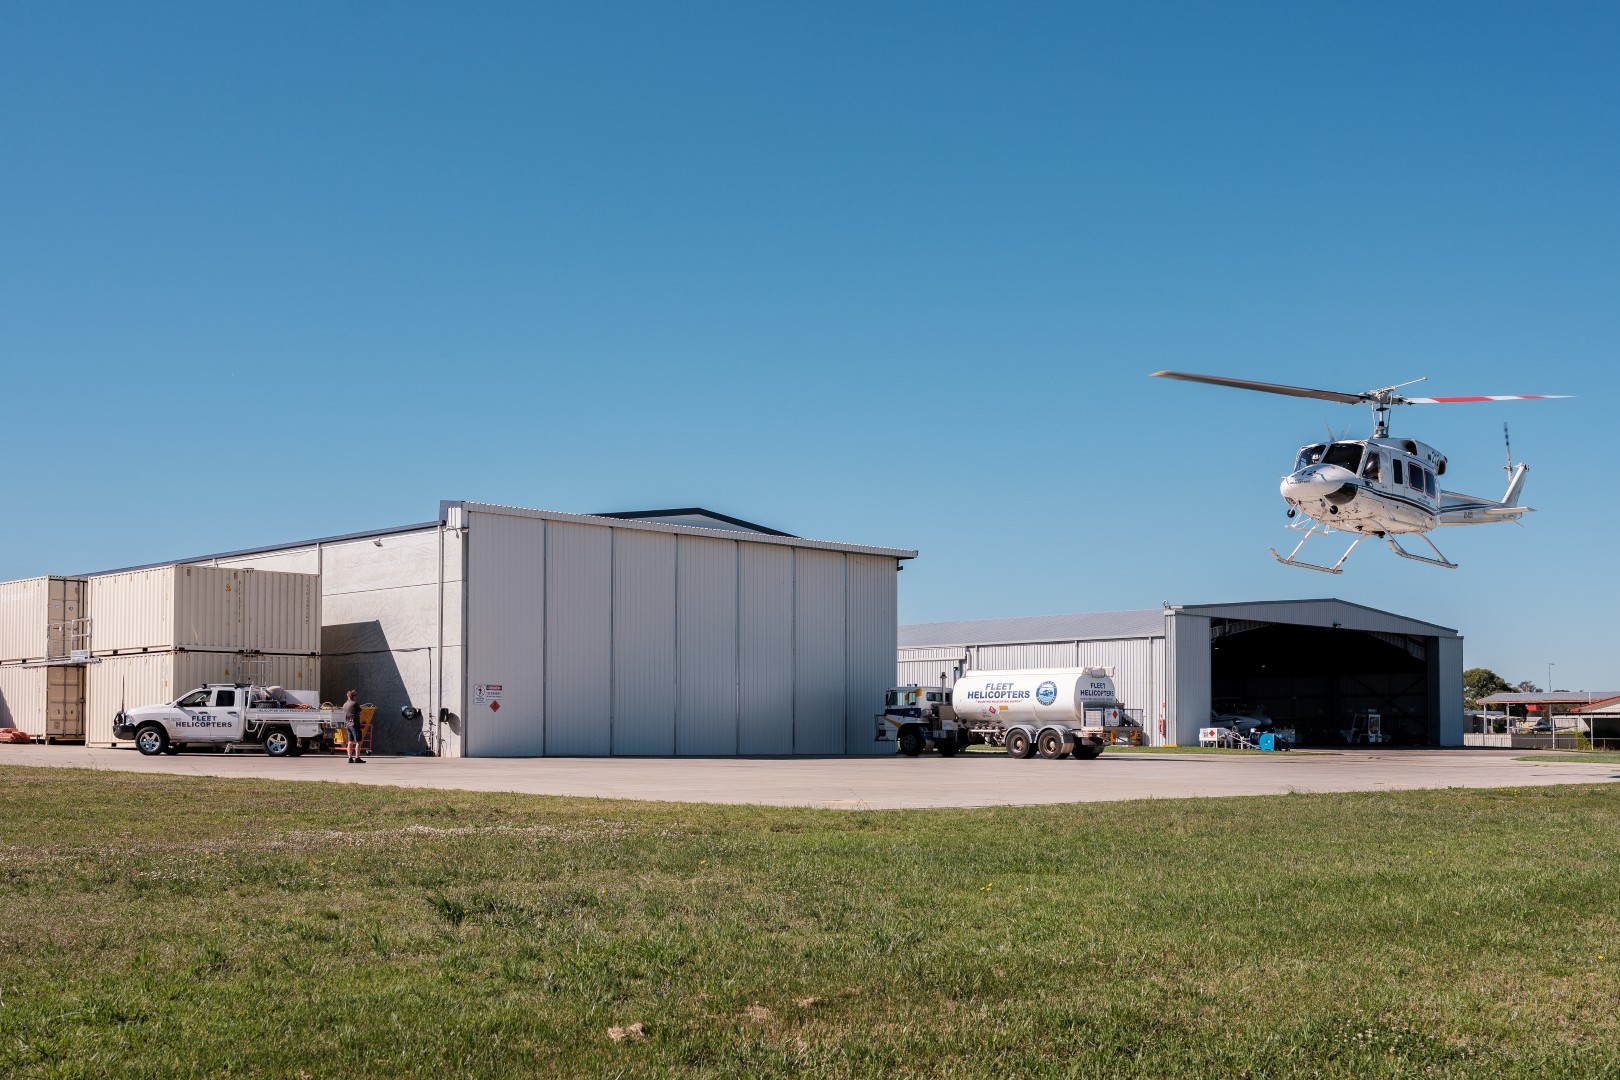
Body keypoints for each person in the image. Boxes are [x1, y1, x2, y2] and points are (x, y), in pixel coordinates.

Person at [343, 690, 365, 763]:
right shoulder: (355, 704)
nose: (356, 697)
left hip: (348, 724)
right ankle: (357, 758)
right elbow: (361, 712)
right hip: (355, 724)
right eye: (355, 696)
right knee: (358, 742)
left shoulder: (345, 704)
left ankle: (350, 758)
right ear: (353, 696)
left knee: (350, 742)